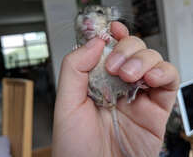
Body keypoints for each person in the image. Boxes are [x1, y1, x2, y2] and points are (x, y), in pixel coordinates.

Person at [52, 22, 180, 157]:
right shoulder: (89, 47)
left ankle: (133, 87)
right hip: (100, 94)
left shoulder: (110, 40)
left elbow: (109, 49)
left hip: (114, 90)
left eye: (98, 14)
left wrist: (109, 40)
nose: (88, 22)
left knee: (125, 74)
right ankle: (130, 87)